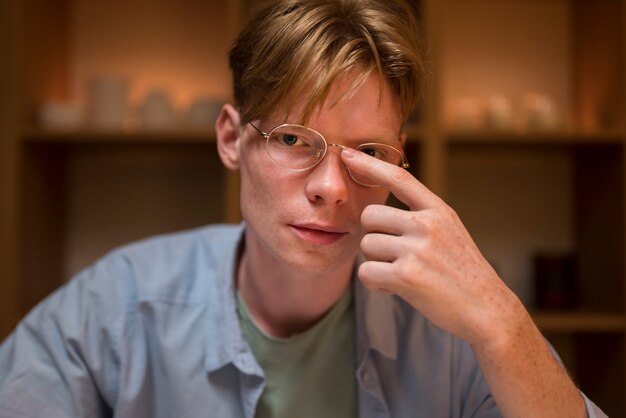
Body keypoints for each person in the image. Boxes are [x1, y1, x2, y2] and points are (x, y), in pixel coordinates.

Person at [0, 0, 608, 417]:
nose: (332, 189)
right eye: (293, 138)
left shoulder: (449, 331)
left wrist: (503, 323)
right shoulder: (118, 305)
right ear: (232, 138)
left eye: (367, 152)